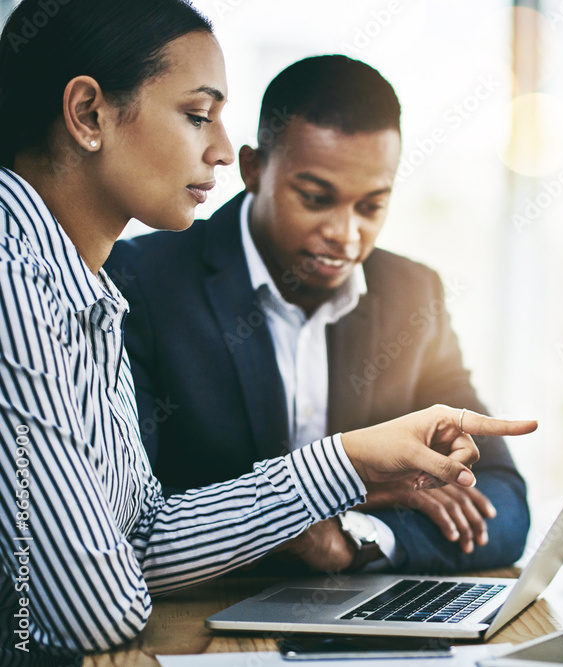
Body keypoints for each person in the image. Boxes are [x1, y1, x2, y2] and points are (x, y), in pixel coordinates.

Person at [0, 0, 535, 662]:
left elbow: (139, 538)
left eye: (372, 205)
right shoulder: (23, 276)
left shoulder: (86, 288)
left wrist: (348, 491)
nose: (219, 150)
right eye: (198, 115)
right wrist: (340, 473)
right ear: (87, 114)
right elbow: (98, 608)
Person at [105, 55, 529, 576]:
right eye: (315, 198)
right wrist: (348, 492)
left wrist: (353, 538)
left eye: (370, 207)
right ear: (253, 170)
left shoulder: (412, 295)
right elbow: (123, 520)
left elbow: (504, 508)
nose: (346, 235)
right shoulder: (140, 283)